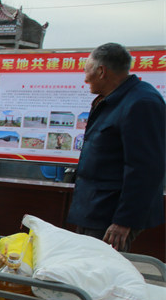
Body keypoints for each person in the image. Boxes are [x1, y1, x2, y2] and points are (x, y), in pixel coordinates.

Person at [68, 42, 165, 252]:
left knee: (100, 268)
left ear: (101, 71)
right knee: (84, 264)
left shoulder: (141, 102)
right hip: (95, 208)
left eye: (87, 71)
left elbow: (147, 168)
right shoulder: (114, 98)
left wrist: (124, 220)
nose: (85, 79)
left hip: (111, 214)